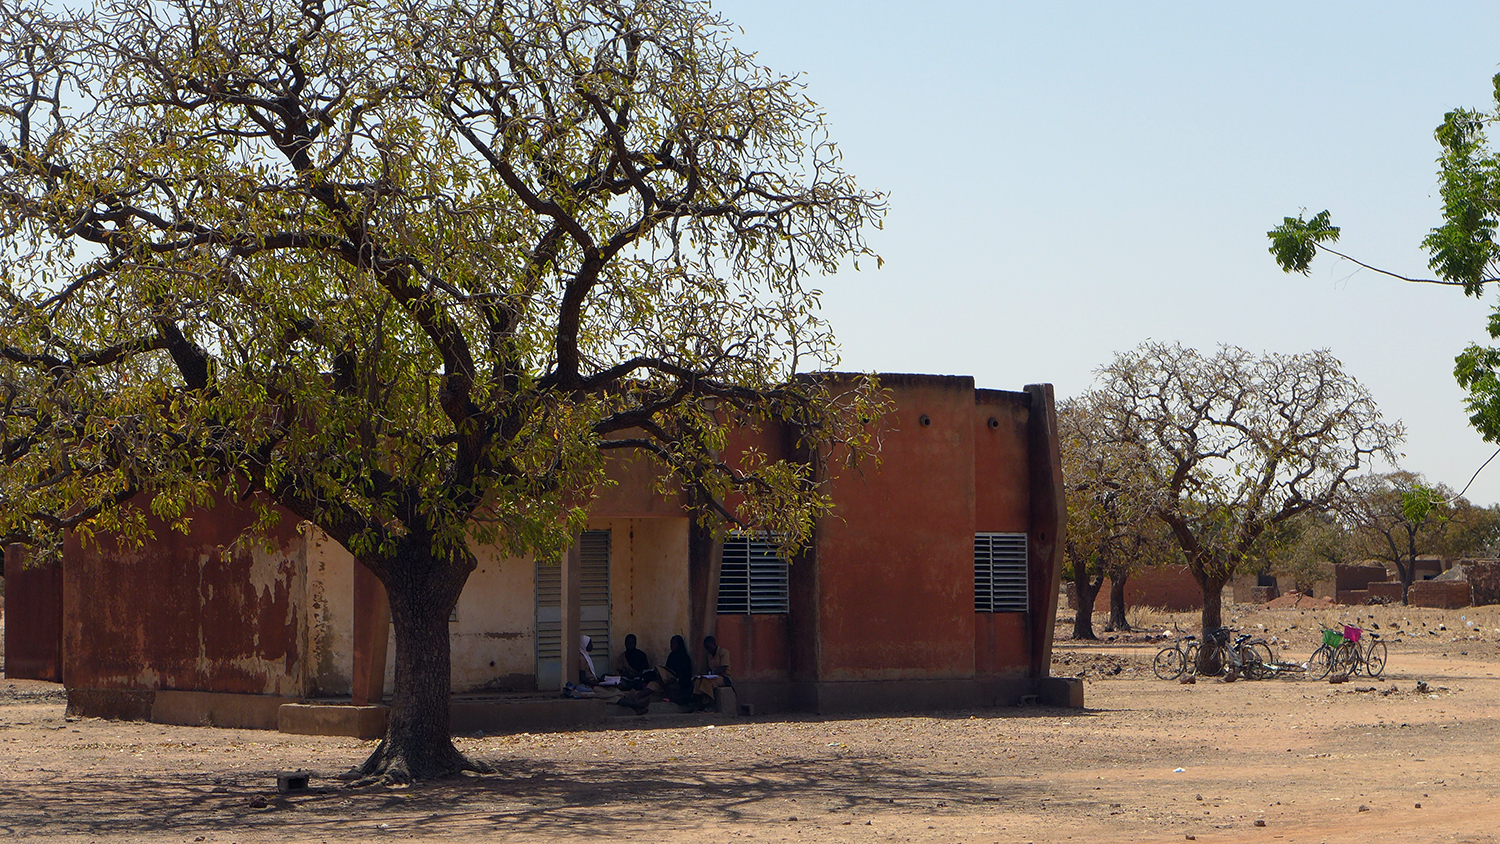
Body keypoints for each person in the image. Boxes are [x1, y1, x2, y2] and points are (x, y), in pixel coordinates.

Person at [692, 635, 731, 710]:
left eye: (709, 647)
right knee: (698, 681)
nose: (708, 650)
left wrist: (711, 673)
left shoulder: (723, 652)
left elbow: (723, 668)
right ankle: (699, 703)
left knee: (707, 682)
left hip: (724, 677)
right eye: (706, 648)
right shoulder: (709, 655)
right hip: (713, 676)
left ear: (714, 644)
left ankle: (709, 703)